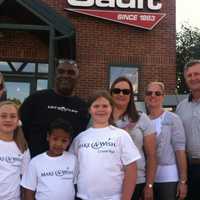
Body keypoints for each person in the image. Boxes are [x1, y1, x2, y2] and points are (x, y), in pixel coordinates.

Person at [70, 90, 141, 200]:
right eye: (96, 106)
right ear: (89, 110)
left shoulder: (121, 135)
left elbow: (131, 170)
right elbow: (72, 169)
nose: (100, 109)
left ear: (111, 108)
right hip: (83, 197)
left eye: (105, 106)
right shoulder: (80, 138)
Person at [20, 59, 89, 157]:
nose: (65, 75)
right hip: (35, 165)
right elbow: (21, 130)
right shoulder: (35, 100)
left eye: (71, 73)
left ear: (78, 77)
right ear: (55, 75)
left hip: (67, 168)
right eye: (61, 72)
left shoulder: (83, 107)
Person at [110, 76, 157, 200]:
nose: (121, 94)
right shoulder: (101, 118)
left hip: (137, 181)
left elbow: (152, 156)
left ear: (131, 95)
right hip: (108, 182)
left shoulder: (141, 119)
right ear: (111, 93)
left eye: (126, 91)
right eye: (117, 91)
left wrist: (149, 185)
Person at [145, 81, 187, 200]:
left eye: (157, 93)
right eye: (149, 93)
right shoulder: (143, 121)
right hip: (148, 177)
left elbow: (180, 150)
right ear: (145, 96)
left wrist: (183, 181)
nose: (153, 96)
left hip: (168, 176)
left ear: (163, 96)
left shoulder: (173, 119)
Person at [21, 118, 77, 200]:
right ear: (48, 137)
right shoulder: (36, 162)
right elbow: (29, 191)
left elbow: (75, 186)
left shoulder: (73, 160)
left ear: (69, 141)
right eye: (55, 139)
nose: (58, 144)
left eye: (64, 141)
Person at [176, 59, 200, 200]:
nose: (193, 78)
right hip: (189, 170)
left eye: (197, 74)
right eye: (189, 75)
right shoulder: (181, 107)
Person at [0, 101, 30, 200]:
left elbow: (24, 178)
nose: (8, 120)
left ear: (18, 121)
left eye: (13, 116)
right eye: (3, 116)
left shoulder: (23, 148)